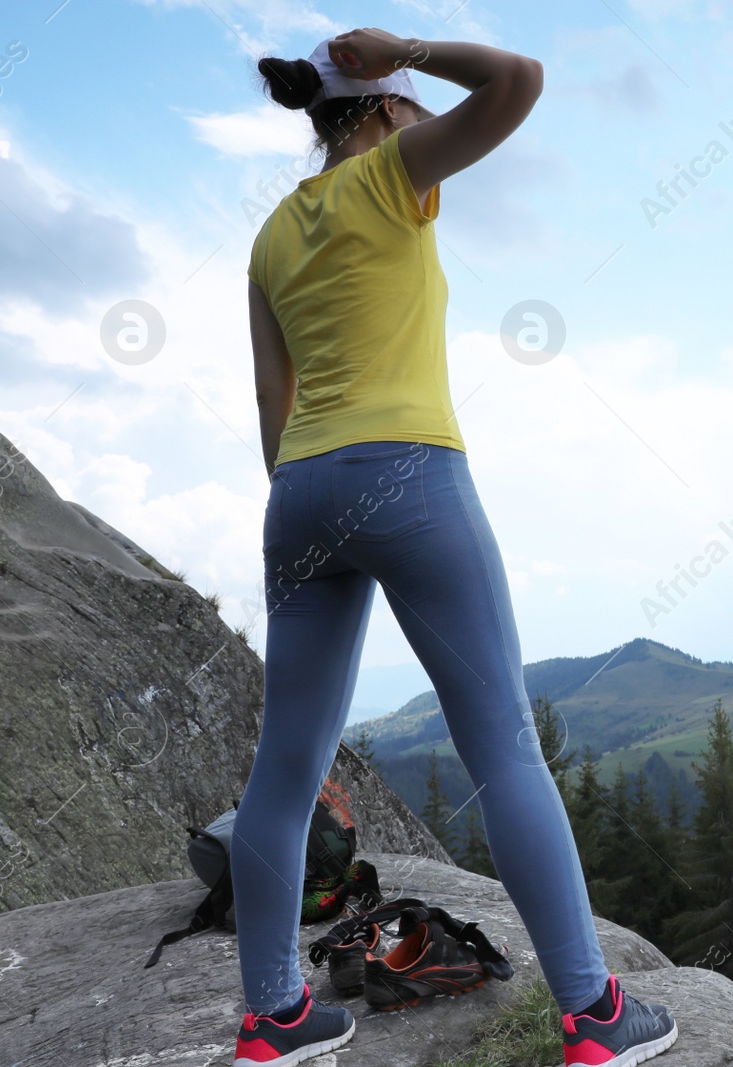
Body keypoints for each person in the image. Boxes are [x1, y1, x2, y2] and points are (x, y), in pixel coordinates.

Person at [231, 28, 678, 1067]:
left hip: (299, 488)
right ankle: (594, 1013)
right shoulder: (393, 174)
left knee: (283, 771)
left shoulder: (269, 234)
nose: (428, 118)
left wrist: (304, 495)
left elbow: (270, 392)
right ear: (385, 108)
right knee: (504, 746)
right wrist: (411, 46)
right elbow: (519, 79)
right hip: (411, 473)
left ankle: (272, 1015)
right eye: (410, 101)